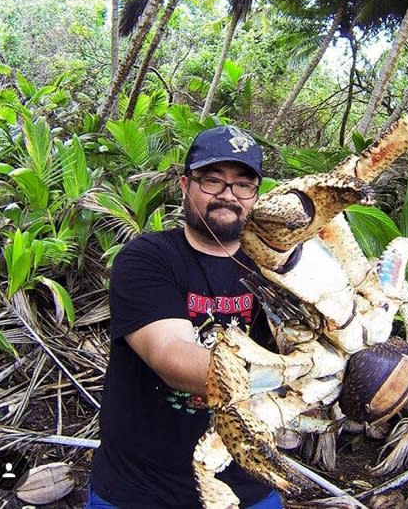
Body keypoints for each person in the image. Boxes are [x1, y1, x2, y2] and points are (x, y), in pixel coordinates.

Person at [86, 125, 282, 509]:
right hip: (139, 489)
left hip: (248, 483)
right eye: (212, 181)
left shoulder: (277, 269)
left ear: (256, 196)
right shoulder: (148, 257)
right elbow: (172, 358)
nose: (228, 195)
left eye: (243, 184)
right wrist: (294, 374)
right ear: (184, 185)